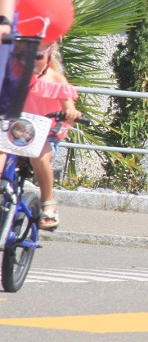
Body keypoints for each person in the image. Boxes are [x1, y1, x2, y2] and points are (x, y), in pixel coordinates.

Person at [19, 39, 81, 230]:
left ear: (49, 52)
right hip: (15, 132)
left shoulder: (55, 79)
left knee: (39, 156)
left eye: (37, 57)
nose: (30, 62)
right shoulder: (14, 75)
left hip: (45, 135)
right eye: (21, 57)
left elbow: (69, 106)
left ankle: (48, 202)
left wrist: (71, 113)